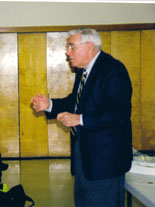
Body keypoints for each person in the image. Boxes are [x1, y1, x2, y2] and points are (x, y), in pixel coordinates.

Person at [31, 28, 133, 207]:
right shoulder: (84, 71)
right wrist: (50, 105)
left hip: (105, 161)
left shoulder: (113, 70)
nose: (67, 52)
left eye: (72, 47)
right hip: (85, 154)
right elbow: (75, 103)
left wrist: (80, 119)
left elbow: (119, 114)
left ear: (89, 47)